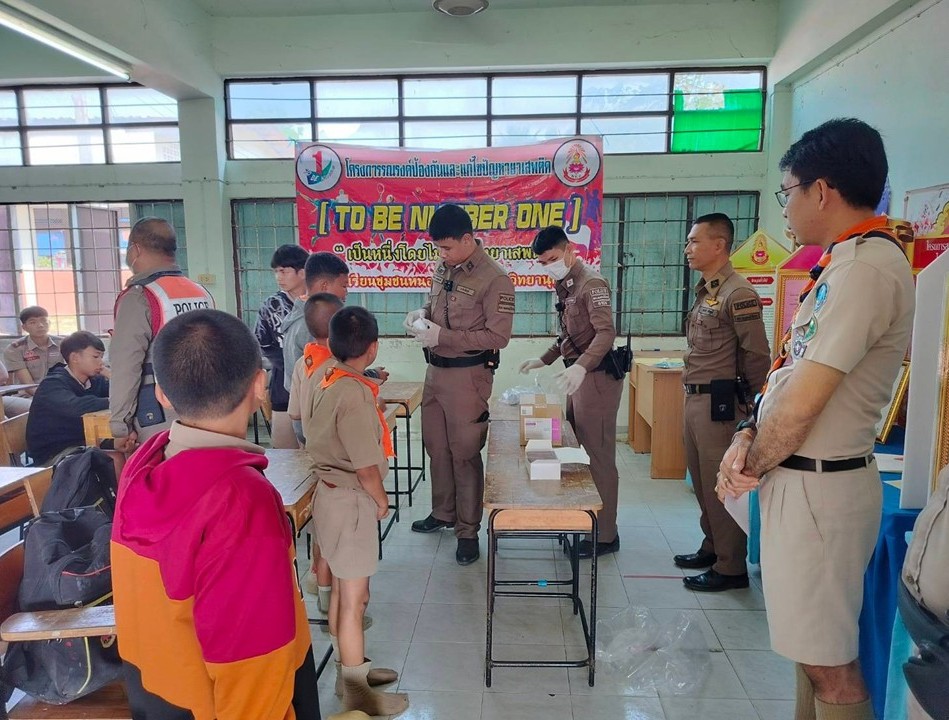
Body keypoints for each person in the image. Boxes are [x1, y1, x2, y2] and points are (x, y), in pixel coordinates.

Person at [718, 118, 915, 720]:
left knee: (830, 664)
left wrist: (744, 466)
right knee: (811, 655)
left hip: (821, 487)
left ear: (821, 191)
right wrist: (747, 434)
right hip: (801, 478)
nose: (787, 207)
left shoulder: (865, 270)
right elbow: (787, 375)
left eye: (788, 192)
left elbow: (805, 402)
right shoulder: (841, 264)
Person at [111, 309, 320, 720]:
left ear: (162, 394)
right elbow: (253, 658)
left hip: (159, 693)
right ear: (260, 385)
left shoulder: (142, 469)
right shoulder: (240, 500)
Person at [306, 306, 406, 717]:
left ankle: (351, 672)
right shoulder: (354, 395)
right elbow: (366, 468)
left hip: (330, 497)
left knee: (341, 593)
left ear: (331, 344)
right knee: (355, 600)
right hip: (351, 501)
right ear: (373, 347)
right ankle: (357, 694)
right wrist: (381, 501)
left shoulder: (326, 375)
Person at [404, 203, 515, 565]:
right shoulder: (444, 267)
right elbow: (437, 305)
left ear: (468, 239)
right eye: (438, 248)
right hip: (434, 373)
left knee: (464, 453)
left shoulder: (494, 279)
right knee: (437, 447)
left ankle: (467, 531)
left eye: (447, 247)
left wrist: (444, 336)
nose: (442, 254)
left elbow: (498, 337)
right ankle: (444, 512)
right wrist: (422, 315)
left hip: (468, 377)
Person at [675, 213, 771, 590]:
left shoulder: (738, 294)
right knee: (701, 482)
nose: (687, 248)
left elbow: (757, 356)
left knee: (721, 485)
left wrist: (753, 411)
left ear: (719, 246)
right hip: (696, 400)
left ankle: (731, 567)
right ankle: (713, 546)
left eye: (694, 241)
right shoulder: (708, 291)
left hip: (721, 405)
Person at [519, 225, 624, 558]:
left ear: (568, 250)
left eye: (551, 258)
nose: (547, 266)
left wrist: (581, 366)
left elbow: (605, 333)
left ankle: (605, 535)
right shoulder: (565, 286)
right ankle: (585, 520)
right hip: (578, 376)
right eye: (542, 262)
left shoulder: (591, 284)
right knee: (578, 450)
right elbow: (568, 336)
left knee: (598, 456)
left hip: (597, 377)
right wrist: (544, 359)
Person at [109, 217, 214, 453]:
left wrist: (120, 426)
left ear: (136, 249)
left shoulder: (140, 297)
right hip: (207, 410)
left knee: (162, 475)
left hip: (158, 417)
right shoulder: (201, 292)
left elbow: (125, 366)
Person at [25, 331, 110, 465]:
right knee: (113, 459)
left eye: (102, 356)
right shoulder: (52, 383)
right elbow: (76, 407)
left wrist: (112, 377)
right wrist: (114, 401)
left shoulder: (95, 380)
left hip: (82, 443)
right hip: (54, 454)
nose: (101, 362)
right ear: (75, 357)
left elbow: (120, 394)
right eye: (96, 356)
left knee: (128, 446)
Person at [256, 243, 309, 449]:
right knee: (284, 453)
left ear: (302, 272)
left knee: (313, 452)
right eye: (276, 272)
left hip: (315, 382)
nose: (279, 277)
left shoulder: (318, 303)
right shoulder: (271, 305)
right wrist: (288, 365)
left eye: (284, 271)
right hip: (283, 385)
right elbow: (263, 342)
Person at [2, 305, 63, 416]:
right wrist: (52, 401)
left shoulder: (63, 344)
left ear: (49, 323)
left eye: (43, 320)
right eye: (33, 322)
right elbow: (29, 386)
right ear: (24, 327)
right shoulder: (15, 349)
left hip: (62, 393)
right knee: (45, 410)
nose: (40, 325)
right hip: (29, 397)